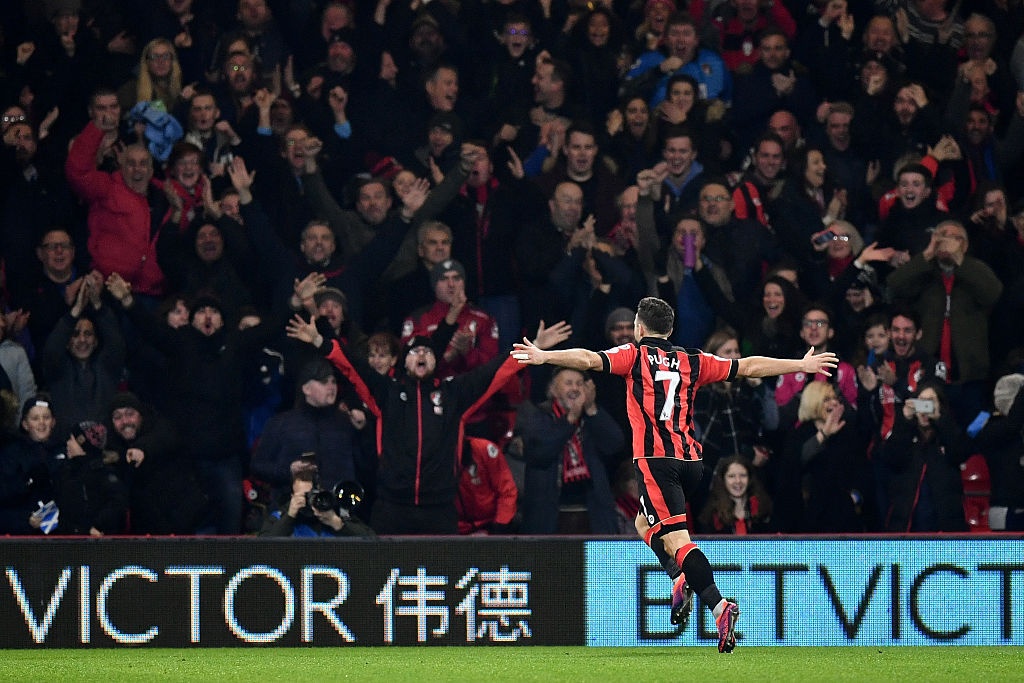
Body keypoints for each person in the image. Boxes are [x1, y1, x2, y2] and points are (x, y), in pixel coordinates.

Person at [511, 296, 838, 652]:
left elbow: (588, 359)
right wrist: (799, 363)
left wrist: (545, 357)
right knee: (642, 522)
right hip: (691, 463)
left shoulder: (633, 356)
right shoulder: (692, 360)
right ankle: (679, 575)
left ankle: (718, 605)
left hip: (656, 461)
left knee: (679, 541)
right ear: (670, 330)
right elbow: (747, 366)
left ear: (639, 328)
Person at [286, 314, 570, 535]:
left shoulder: (454, 395)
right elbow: (352, 365)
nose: (421, 356)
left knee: (440, 585)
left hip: (440, 508)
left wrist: (533, 349)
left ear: (436, 361)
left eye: (427, 353)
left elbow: (494, 370)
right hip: (391, 507)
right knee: (382, 583)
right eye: (414, 352)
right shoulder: (386, 393)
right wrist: (320, 342)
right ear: (403, 362)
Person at [514, 367, 624, 535]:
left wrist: (592, 409)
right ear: (553, 390)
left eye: (580, 384)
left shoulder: (592, 417)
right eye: (568, 383)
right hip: (547, 516)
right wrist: (570, 419)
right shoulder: (537, 416)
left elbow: (615, 445)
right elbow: (539, 451)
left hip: (594, 513)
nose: (575, 388)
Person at [874, 380, 970, 532]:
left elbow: (960, 452)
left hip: (946, 527)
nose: (925, 409)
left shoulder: (948, 434)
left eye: (930, 403)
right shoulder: (905, 435)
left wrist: (941, 419)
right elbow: (891, 458)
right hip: (909, 527)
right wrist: (904, 420)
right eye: (921, 403)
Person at [105, 391, 206, 535]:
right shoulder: (112, 443)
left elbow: (165, 437)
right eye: (118, 417)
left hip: (179, 518)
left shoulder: (159, 426)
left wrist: (141, 449)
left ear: (140, 415)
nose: (125, 421)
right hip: (144, 527)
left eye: (130, 414)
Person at [259, 459, 375, 538]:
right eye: (303, 496)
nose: (308, 500)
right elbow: (263, 548)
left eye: (311, 494)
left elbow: (372, 541)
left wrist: (338, 524)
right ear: (292, 496)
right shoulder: (280, 516)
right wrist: (290, 517)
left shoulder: (336, 513)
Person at [0, 395, 62, 535]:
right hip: (23, 536)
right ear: (25, 424)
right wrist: (26, 519)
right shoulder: (11, 454)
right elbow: (5, 495)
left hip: (61, 534)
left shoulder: (66, 450)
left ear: (53, 422)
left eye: (46, 417)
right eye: (35, 418)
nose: (41, 423)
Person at [456, 435, 519, 535]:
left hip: (492, 524)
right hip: (457, 529)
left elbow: (507, 492)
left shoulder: (484, 449)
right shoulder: (438, 459)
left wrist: (498, 527)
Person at [697, 455, 775, 534]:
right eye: (731, 476)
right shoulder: (711, 515)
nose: (738, 481)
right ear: (723, 480)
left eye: (743, 475)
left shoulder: (764, 509)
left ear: (750, 479)